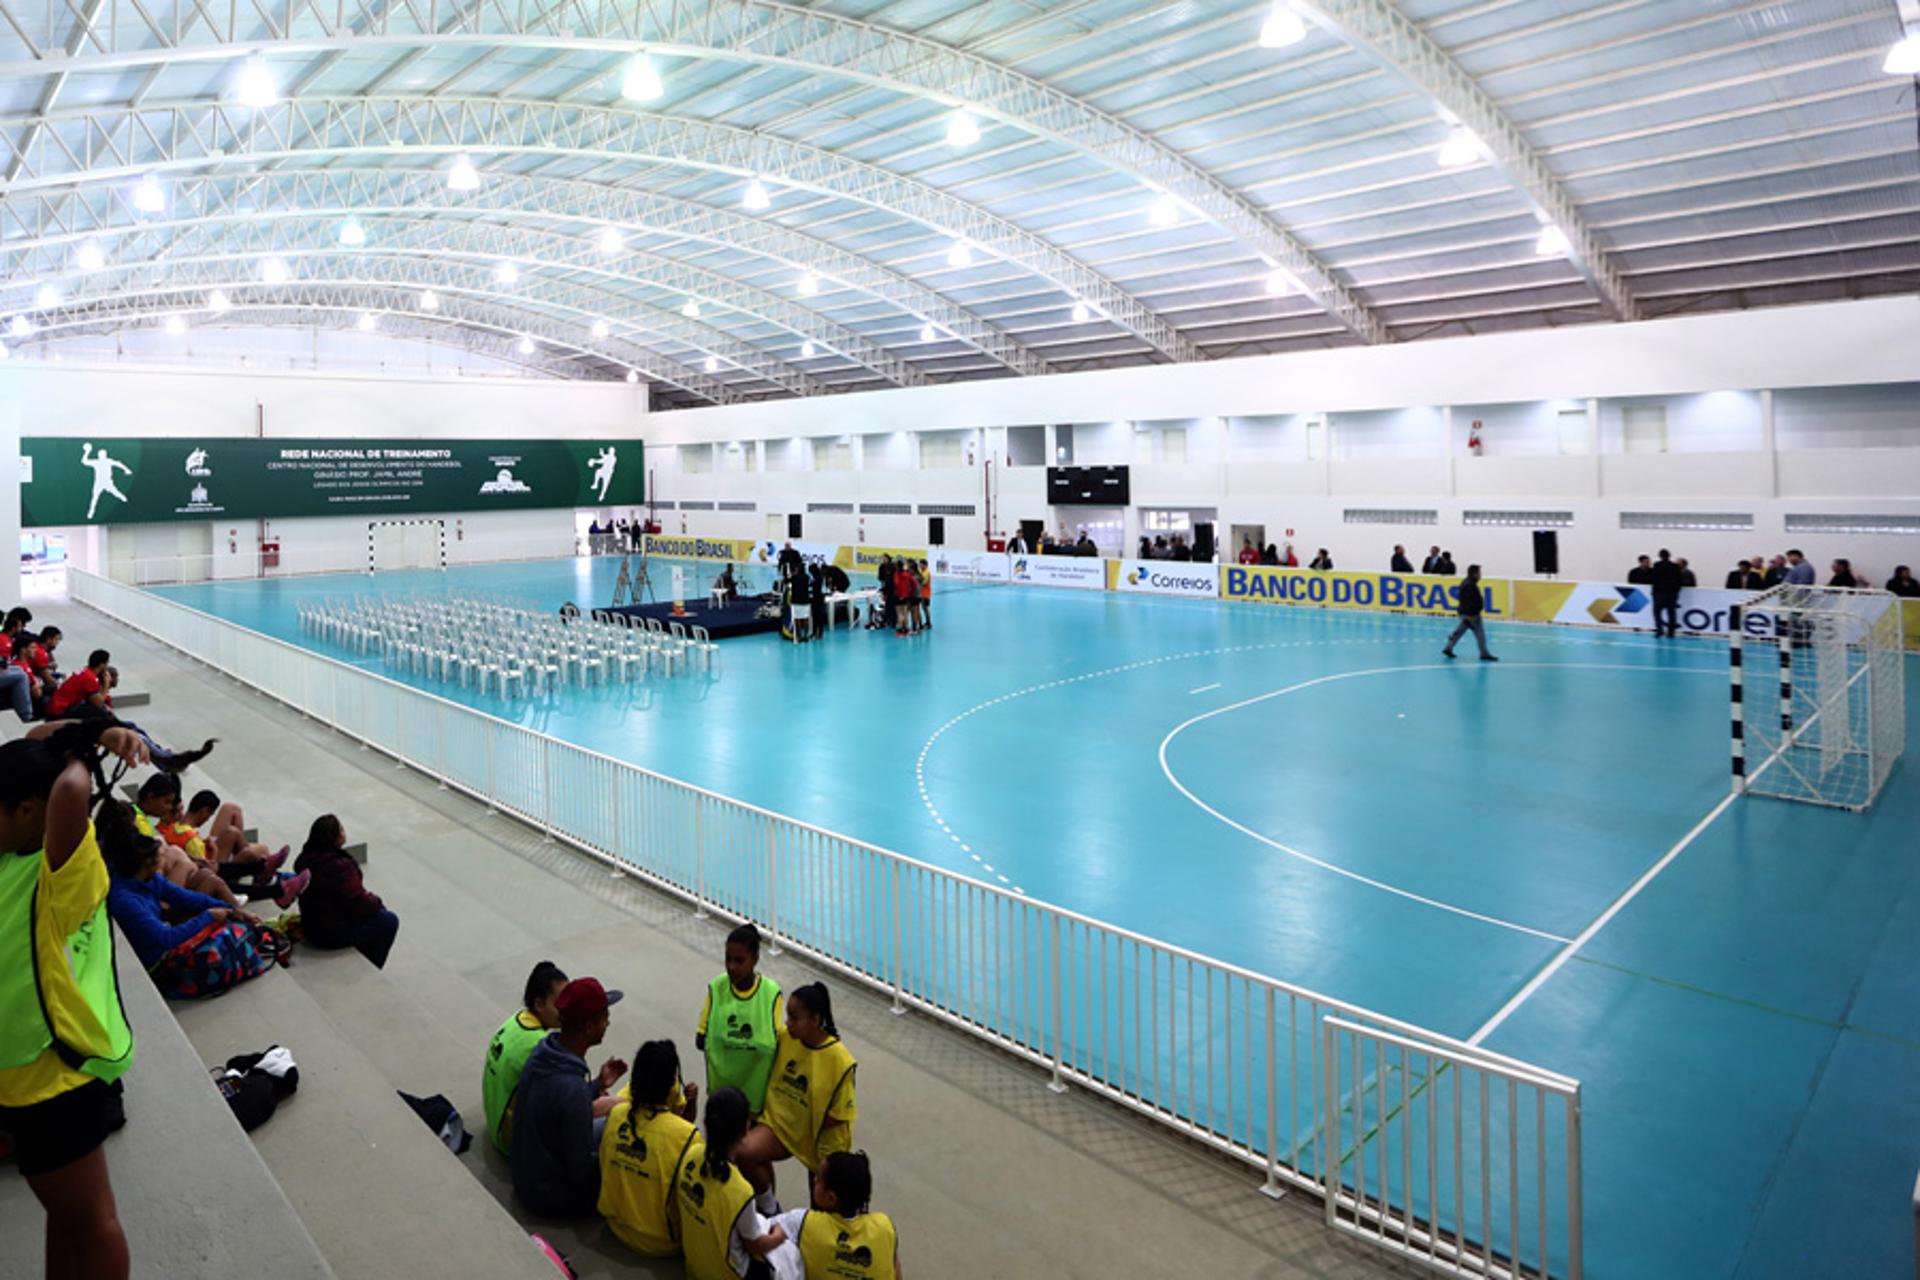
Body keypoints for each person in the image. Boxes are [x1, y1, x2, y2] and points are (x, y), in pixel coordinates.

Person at [0, 721, 145, 1280]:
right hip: (24, 1080)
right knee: (64, 1219)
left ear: (30, 810)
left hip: (55, 1083)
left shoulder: (62, 870)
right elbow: (37, 737)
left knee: (90, 1226)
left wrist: (90, 742)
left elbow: (69, 790)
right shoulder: (13, 854)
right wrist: (81, 732)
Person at [104, 808, 278, 1000]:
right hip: (159, 964)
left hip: (164, 938)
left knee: (215, 893)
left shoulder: (148, 879)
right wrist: (209, 916)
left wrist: (233, 911)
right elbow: (166, 939)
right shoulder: (125, 900)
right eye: (158, 858)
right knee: (223, 937)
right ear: (145, 864)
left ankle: (252, 924)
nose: (163, 859)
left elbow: (187, 898)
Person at [513, 977, 629, 1219]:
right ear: (588, 1027)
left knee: (608, 1124)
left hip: (527, 1174)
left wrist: (597, 1085)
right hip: (551, 1196)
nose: (608, 1022)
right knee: (626, 1153)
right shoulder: (572, 1088)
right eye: (604, 1016)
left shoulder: (542, 1053)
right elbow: (580, 1171)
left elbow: (555, 1105)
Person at [734, 984, 856, 1214]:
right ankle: (769, 1208)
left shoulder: (840, 1061)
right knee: (744, 1153)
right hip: (781, 1126)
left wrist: (804, 1121)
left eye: (795, 1017)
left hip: (819, 1138)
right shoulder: (784, 1038)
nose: (787, 1023)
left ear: (815, 1019)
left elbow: (838, 1117)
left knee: (821, 1207)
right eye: (787, 1016)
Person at [678, 1087, 798, 1280]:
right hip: (726, 1274)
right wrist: (781, 1234)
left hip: (693, 1265)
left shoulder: (690, 1155)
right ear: (746, 1130)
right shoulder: (740, 1191)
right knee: (791, 1256)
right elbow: (755, 1245)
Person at [599, 1040, 701, 1258]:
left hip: (616, 1226)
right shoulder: (688, 1136)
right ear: (671, 1085)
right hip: (662, 1243)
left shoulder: (617, 1114)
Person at [770, 1151, 902, 1280]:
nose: (815, 1179)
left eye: (819, 1179)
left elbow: (760, 1228)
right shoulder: (884, 1227)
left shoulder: (802, 1222)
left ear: (831, 1198)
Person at [484, 960, 569, 1155]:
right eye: (561, 1003)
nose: (568, 1008)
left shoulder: (516, 1019)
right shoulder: (540, 1047)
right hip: (511, 1143)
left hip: (494, 1121)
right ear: (539, 1003)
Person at [294, 815, 399, 969]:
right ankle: (372, 965)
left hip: (312, 925)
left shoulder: (304, 859)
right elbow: (359, 901)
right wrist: (377, 901)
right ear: (334, 836)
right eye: (341, 830)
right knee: (388, 920)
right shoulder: (339, 867)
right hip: (329, 933)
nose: (344, 832)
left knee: (378, 913)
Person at [698, 924, 783, 1116]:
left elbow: (777, 1046)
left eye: (739, 960)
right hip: (720, 1103)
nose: (731, 967)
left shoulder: (771, 994)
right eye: (728, 959)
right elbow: (700, 1039)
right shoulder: (716, 987)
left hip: (754, 1108)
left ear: (755, 959)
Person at [173, 788, 295, 903]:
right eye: (209, 815)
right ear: (204, 811)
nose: (208, 820)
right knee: (254, 852)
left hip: (204, 852)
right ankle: (264, 871)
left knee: (232, 812)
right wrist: (214, 851)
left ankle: (264, 868)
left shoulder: (175, 829)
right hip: (214, 864)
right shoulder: (191, 841)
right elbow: (208, 870)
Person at [1441, 565, 1497, 662]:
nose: (1480, 575)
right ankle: (1484, 653)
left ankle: (1448, 648)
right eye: (1479, 573)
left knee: (1459, 631)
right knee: (1479, 635)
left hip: (1468, 613)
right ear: (1475, 574)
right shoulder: (1470, 585)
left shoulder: (1467, 583)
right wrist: (1471, 614)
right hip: (1471, 614)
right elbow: (1468, 601)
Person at [0, 607, 36, 721]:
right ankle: (26, 715)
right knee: (21, 676)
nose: (22, 628)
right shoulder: (5, 642)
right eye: (21, 626)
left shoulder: (6, 639)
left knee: (20, 670)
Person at [1649, 549, 1683, 639]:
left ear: (1660, 556)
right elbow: (1679, 580)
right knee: (1671, 612)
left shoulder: (1657, 566)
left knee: (1657, 612)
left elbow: (1653, 579)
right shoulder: (1675, 567)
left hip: (1659, 593)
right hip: (1672, 593)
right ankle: (1671, 632)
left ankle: (1659, 630)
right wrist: (1676, 591)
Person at [892, 561, 917, 637]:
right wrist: (910, 591)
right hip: (906, 596)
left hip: (898, 596)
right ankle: (906, 629)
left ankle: (901, 629)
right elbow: (914, 583)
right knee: (905, 613)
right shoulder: (907, 574)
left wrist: (899, 594)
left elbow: (896, 584)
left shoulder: (896, 574)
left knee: (899, 613)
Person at [807, 564, 828, 641]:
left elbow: (814, 587)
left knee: (818, 617)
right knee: (816, 616)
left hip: (817, 599)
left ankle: (818, 633)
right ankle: (815, 632)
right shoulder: (817, 577)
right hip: (817, 599)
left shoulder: (818, 578)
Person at [917, 561, 933, 631]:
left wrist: (917, 582)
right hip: (922, 593)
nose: (920, 566)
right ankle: (927, 622)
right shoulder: (922, 572)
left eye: (921, 565)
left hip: (925, 593)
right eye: (919, 565)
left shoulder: (926, 573)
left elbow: (924, 583)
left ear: (925, 565)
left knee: (926, 609)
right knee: (924, 608)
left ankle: (928, 623)